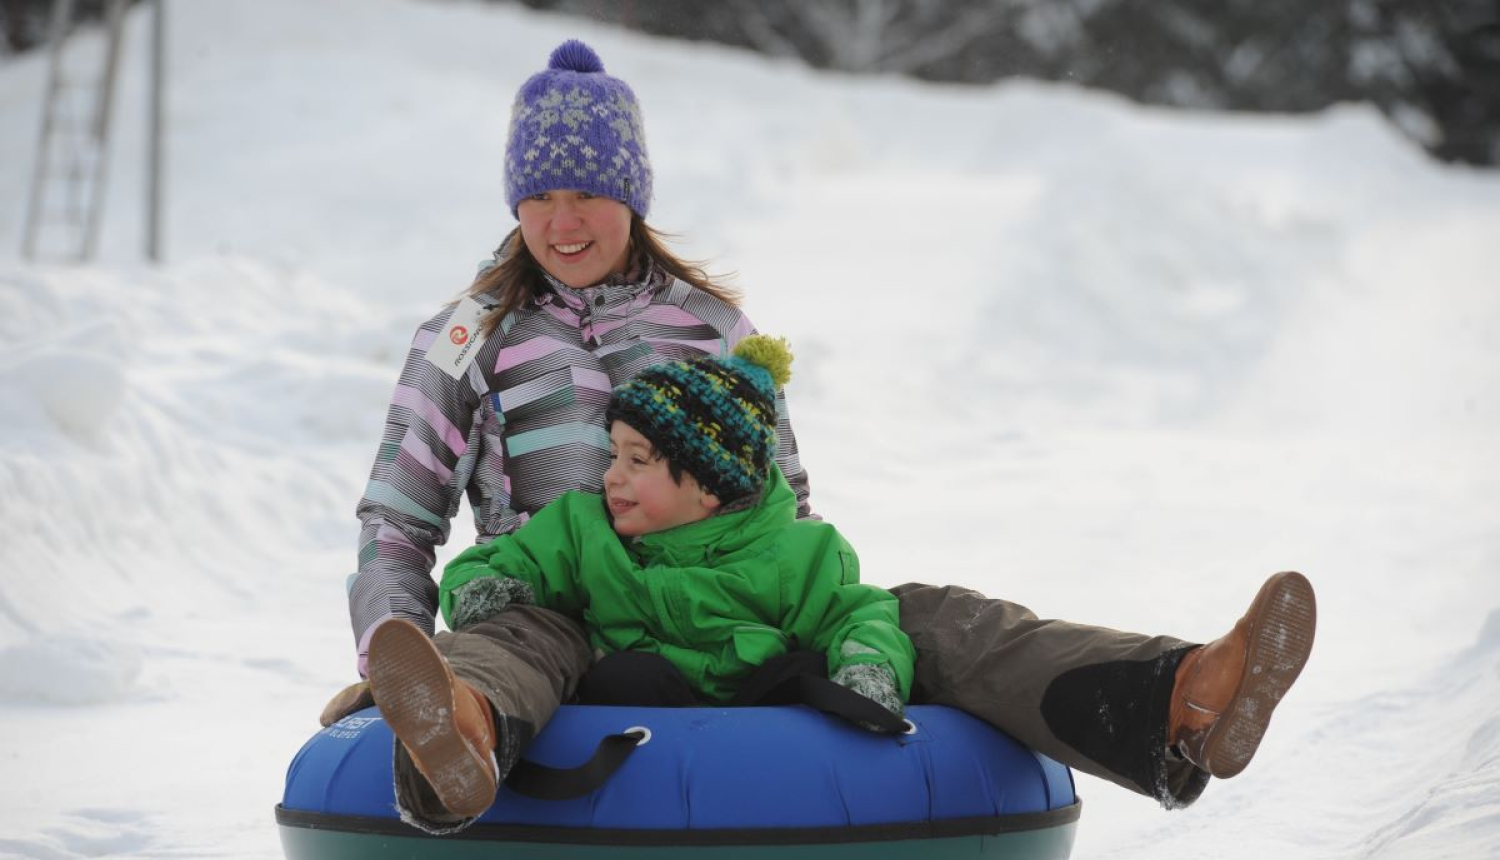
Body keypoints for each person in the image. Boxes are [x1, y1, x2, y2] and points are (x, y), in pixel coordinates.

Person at [325, 36, 1317, 828]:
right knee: (514, 642)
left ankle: (1181, 696)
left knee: (928, 615)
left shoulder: (712, 329)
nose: (563, 220)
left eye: (586, 191)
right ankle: (452, 727)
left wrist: (809, 617)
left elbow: (781, 504)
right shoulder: (468, 336)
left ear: (631, 191)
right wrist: (388, 652)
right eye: (538, 195)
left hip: (721, 606)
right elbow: (396, 521)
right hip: (553, 604)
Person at [365, 336, 915, 824]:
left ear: (707, 486)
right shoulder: (586, 529)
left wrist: (867, 666)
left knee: (801, 669)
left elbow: (856, 612)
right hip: (633, 716)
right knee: (609, 669)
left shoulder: (796, 552)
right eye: (613, 454)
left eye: (637, 460)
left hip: (756, 730)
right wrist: (490, 589)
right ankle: (463, 728)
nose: (612, 475)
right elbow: (501, 563)